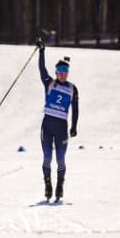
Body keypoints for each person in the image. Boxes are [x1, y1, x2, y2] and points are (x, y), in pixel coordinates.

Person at [36, 39, 79, 201]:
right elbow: (41, 69)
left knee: (61, 159)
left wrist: (74, 126)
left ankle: (60, 185)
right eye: (60, 71)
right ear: (56, 72)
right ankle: (48, 185)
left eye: (65, 71)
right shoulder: (49, 83)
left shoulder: (72, 88)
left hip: (62, 127)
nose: (62, 74)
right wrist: (41, 51)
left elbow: (75, 109)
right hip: (47, 125)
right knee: (47, 157)